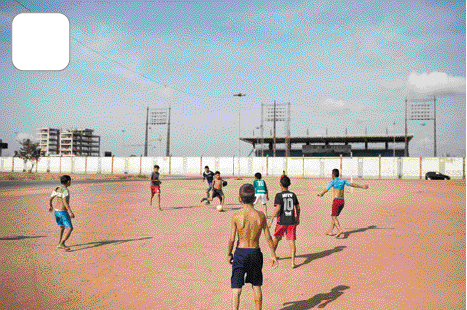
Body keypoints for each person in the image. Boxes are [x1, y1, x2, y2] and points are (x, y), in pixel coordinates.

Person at [228, 183, 278, 310]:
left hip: (240, 253)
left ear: (239, 199)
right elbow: (268, 237)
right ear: (255, 199)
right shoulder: (260, 215)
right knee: (256, 285)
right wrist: (273, 254)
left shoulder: (236, 216)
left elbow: (232, 239)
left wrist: (229, 253)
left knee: (236, 288)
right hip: (255, 252)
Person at [317, 168, 369, 238]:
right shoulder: (343, 181)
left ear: (332, 175)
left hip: (336, 200)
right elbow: (353, 184)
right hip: (342, 201)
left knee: (333, 216)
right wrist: (362, 186)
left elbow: (326, 189)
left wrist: (321, 194)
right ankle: (330, 231)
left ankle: (339, 229)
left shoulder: (332, 182)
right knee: (334, 215)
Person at [268, 176, 300, 268]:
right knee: (292, 241)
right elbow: (297, 207)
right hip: (291, 221)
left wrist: (272, 218)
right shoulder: (293, 195)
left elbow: (278, 208)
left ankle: (273, 255)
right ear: (289, 184)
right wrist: (298, 217)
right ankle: (292, 262)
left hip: (281, 221)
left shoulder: (279, 195)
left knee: (276, 239)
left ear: (280, 184)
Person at [49, 175, 74, 251]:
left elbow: (50, 198)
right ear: (68, 182)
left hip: (56, 211)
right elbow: (65, 202)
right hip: (63, 212)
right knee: (70, 228)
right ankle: (62, 243)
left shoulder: (57, 189)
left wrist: (51, 206)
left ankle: (59, 243)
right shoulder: (65, 190)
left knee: (62, 227)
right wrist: (70, 212)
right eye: (70, 181)